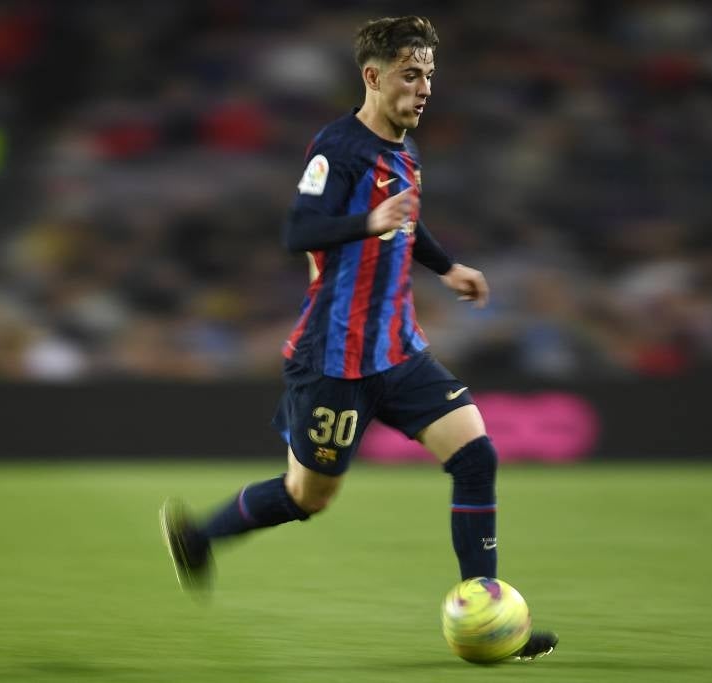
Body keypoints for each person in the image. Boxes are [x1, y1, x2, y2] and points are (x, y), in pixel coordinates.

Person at [160, 15, 557, 661]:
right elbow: (299, 229)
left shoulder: (405, 149)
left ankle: (483, 609)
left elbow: (407, 224)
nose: (424, 86)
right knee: (305, 496)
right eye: (410, 73)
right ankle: (202, 535)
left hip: (399, 350)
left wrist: (446, 265)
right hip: (334, 359)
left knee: (476, 456)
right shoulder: (337, 149)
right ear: (373, 76)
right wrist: (368, 218)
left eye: (429, 73)